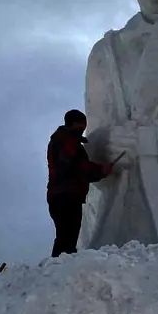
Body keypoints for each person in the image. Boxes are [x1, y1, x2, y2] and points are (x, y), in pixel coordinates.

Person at [47, 109, 114, 257]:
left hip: (65, 194)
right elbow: (76, 166)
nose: (84, 127)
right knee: (67, 236)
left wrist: (99, 173)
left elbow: (79, 171)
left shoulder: (68, 141)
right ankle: (60, 266)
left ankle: (60, 265)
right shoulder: (65, 141)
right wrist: (100, 169)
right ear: (74, 123)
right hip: (65, 195)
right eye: (81, 124)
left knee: (67, 235)